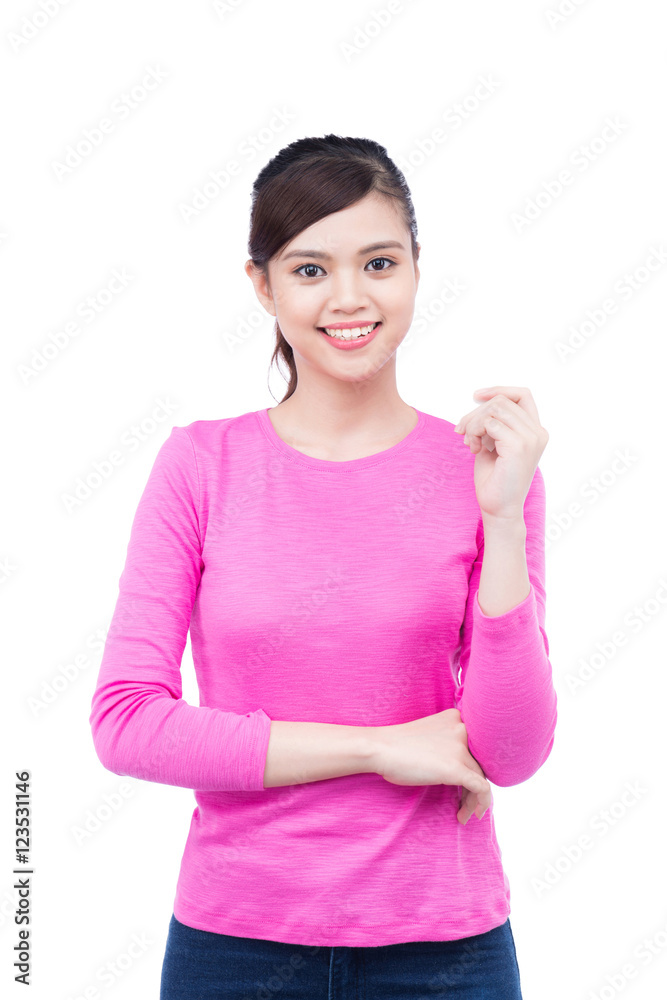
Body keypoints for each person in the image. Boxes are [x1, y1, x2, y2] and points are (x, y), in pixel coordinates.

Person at [89, 134, 557, 999]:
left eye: (378, 262)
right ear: (261, 286)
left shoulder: (484, 469)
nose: (349, 297)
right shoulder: (201, 466)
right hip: (234, 947)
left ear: (416, 268)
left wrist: (499, 517)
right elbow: (126, 722)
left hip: (444, 951)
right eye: (309, 270)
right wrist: (381, 748)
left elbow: (510, 750)